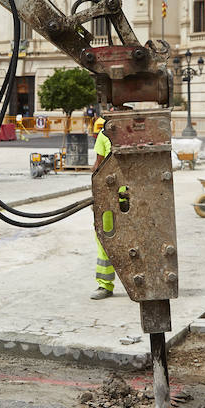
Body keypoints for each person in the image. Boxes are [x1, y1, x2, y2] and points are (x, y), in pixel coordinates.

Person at [90, 118, 117, 300]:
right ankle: (105, 284)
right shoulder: (104, 135)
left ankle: (105, 285)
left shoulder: (104, 134)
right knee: (105, 237)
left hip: (112, 195)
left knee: (105, 236)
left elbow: (97, 166)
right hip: (114, 195)